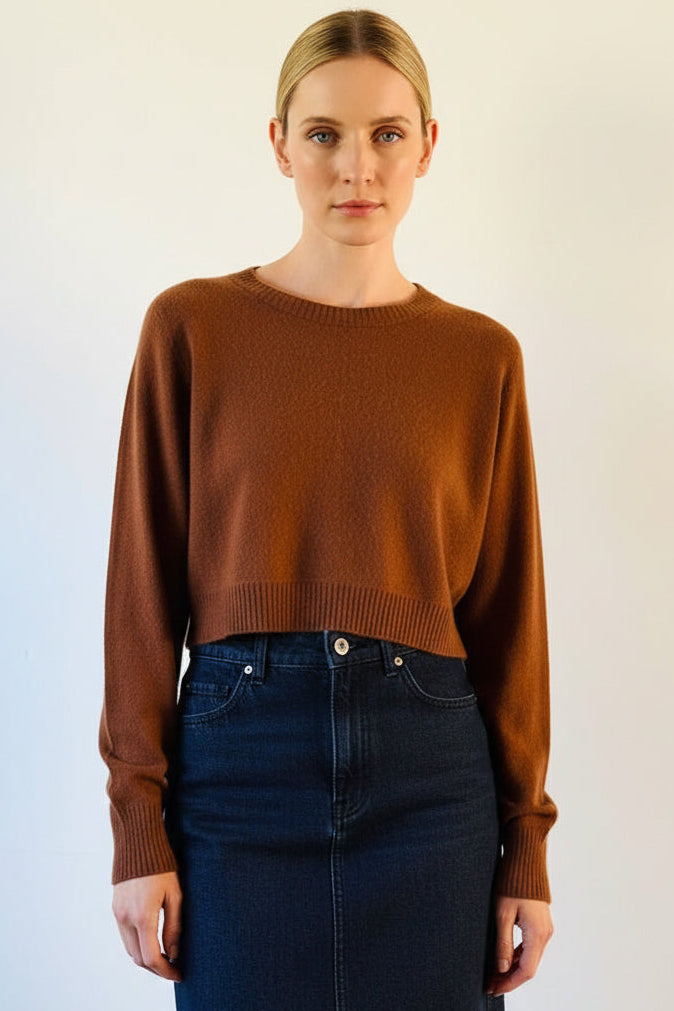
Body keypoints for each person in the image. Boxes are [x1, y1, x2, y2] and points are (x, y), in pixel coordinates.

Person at [98, 9, 559, 1009]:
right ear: (279, 144)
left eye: (387, 133)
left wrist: (524, 841)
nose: (358, 166)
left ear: (427, 146)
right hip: (238, 773)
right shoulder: (191, 328)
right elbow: (140, 593)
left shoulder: (479, 358)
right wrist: (137, 826)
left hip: (429, 785)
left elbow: (508, 618)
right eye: (324, 134)